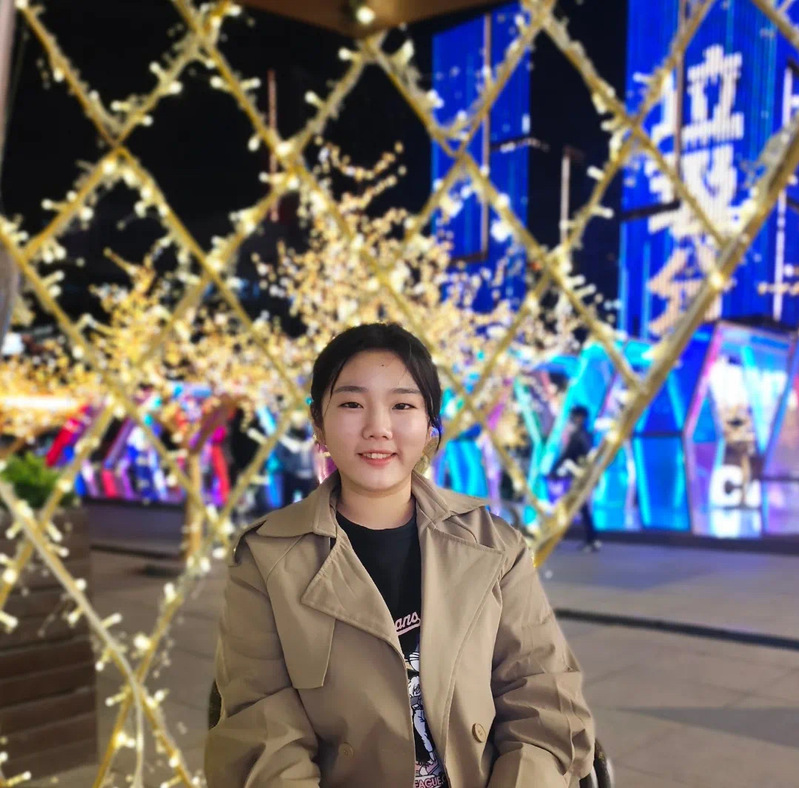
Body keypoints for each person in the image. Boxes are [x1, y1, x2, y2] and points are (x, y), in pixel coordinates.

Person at [205, 322, 594, 787]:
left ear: (430, 426)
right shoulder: (266, 559)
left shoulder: (495, 546)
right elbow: (263, 734)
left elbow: (544, 702)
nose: (378, 428)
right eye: (351, 404)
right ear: (318, 423)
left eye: (403, 405)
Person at [551, 405, 600, 552]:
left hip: (580, 478)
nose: (571, 420)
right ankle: (591, 539)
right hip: (583, 477)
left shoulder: (578, 435)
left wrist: (554, 470)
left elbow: (567, 454)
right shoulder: (586, 435)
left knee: (573, 507)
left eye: (573, 417)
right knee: (581, 508)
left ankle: (590, 539)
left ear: (579, 418)